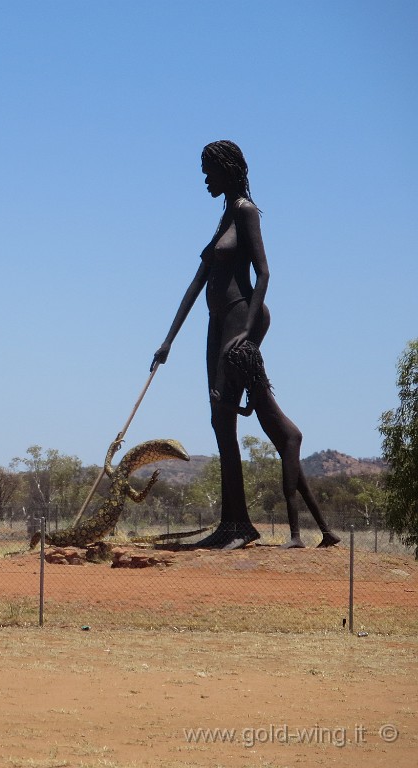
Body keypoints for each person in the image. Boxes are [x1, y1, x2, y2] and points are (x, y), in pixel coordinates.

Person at [151, 140, 339, 550]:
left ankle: (237, 525)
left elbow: (265, 274)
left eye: (208, 171)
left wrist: (246, 334)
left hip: (236, 319)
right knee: (220, 421)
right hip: (214, 324)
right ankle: (233, 521)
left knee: (224, 414)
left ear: (228, 169)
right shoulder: (224, 217)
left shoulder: (246, 213)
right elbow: (196, 283)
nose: (204, 179)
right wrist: (168, 341)